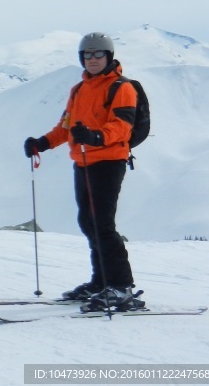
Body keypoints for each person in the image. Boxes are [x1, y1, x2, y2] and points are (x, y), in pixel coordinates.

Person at [23, 32, 144, 311]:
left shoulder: (121, 87)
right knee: (88, 223)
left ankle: (121, 287)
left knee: (102, 223)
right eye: (87, 54)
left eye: (98, 54)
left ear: (109, 57)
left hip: (109, 161)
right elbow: (66, 127)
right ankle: (102, 281)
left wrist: (95, 137)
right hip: (83, 161)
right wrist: (42, 143)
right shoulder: (78, 90)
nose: (92, 59)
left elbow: (122, 126)